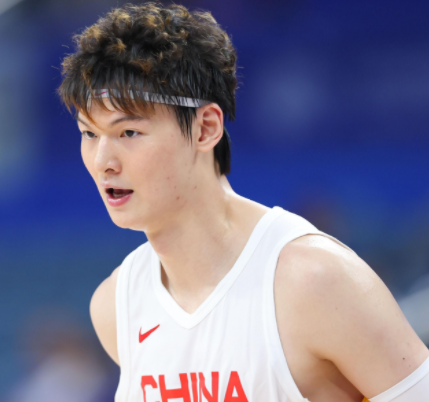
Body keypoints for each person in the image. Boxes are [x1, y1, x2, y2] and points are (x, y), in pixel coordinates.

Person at [56, 3, 429, 402]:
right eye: (89, 134)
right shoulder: (117, 305)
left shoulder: (313, 281)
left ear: (206, 128)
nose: (103, 161)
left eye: (128, 132)